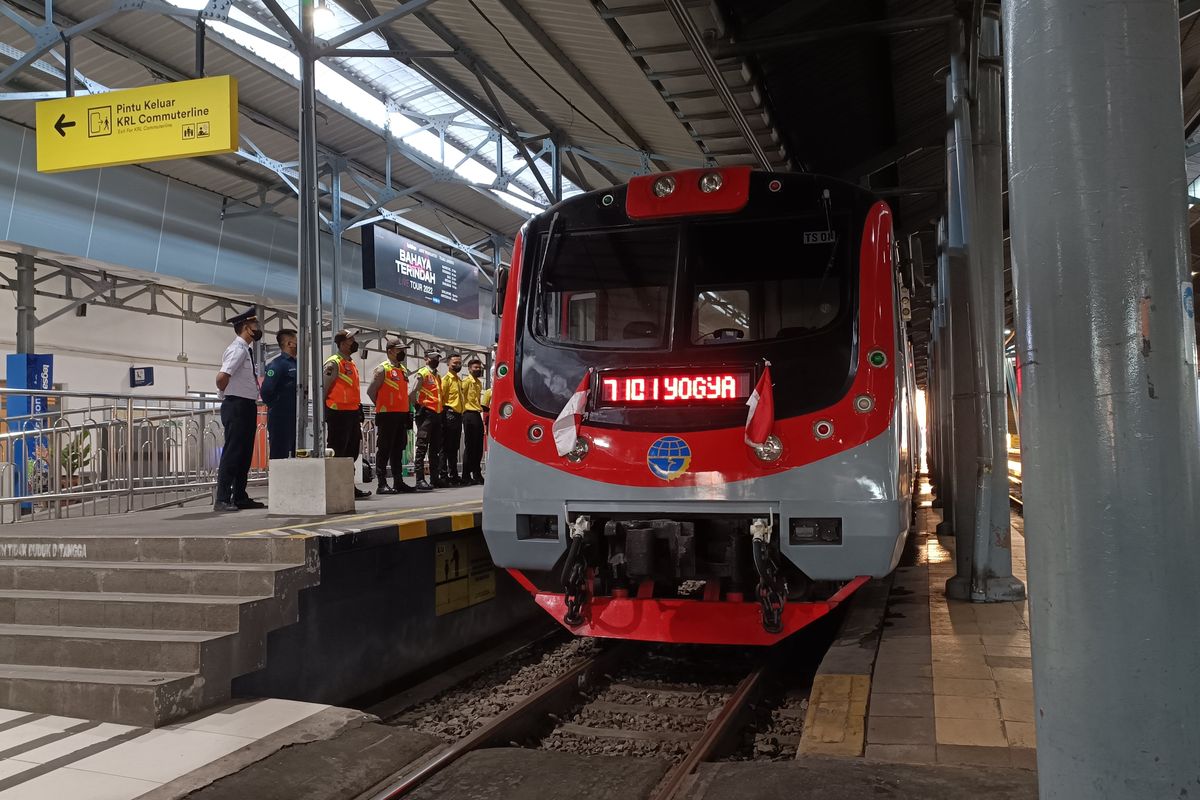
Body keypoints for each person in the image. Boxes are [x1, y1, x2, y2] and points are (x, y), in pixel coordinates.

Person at [214, 308, 265, 512]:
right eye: (256, 325)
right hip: (236, 404)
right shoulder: (238, 349)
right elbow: (221, 378)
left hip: (245, 404)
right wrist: (226, 393)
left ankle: (240, 496)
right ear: (246, 327)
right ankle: (223, 498)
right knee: (233, 452)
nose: (258, 329)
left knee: (244, 453)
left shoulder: (246, 350)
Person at [323, 329, 372, 500]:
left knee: (351, 451)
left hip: (351, 413)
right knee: (338, 451)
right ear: (343, 343)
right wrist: (325, 412)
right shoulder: (333, 363)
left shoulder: (351, 363)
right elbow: (324, 388)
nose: (355, 343)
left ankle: (349, 487)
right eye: (351, 340)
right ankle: (335, 488)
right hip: (337, 413)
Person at [367, 339, 415, 494]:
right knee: (385, 449)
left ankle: (398, 481)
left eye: (404, 349)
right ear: (390, 351)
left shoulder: (403, 370)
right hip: (387, 415)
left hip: (401, 415)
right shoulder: (382, 369)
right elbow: (371, 391)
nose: (403, 352)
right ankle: (381, 483)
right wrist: (382, 405)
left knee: (398, 449)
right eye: (399, 349)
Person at [260, 329, 297, 460]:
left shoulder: (297, 364)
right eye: (296, 341)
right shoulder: (277, 365)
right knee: (279, 453)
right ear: (289, 344)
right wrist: (277, 405)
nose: (299, 344)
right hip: (280, 418)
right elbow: (266, 390)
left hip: (295, 417)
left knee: (296, 452)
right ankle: (277, 481)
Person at [409, 351, 444, 491]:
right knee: (422, 446)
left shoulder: (437, 376)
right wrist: (417, 406)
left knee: (435, 448)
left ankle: (434, 478)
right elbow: (412, 392)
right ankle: (420, 479)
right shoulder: (422, 373)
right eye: (433, 358)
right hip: (426, 414)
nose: (436, 360)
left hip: (437, 413)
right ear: (426, 359)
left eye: (437, 358)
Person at [440, 353, 466, 486]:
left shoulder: (459, 381)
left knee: (454, 447)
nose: (457, 365)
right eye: (455, 363)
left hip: (458, 416)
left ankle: (454, 474)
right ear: (448, 364)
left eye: (459, 363)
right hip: (448, 414)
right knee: (446, 447)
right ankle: (444, 475)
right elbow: (441, 399)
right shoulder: (446, 380)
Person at [461, 357, 485, 485]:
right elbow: (460, 396)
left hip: (476, 413)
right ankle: (466, 474)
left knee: (478, 446)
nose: (478, 369)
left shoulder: (478, 383)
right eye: (475, 368)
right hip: (468, 413)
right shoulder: (466, 382)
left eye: (479, 367)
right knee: (470, 445)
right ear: (469, 369)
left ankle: (476, 472)